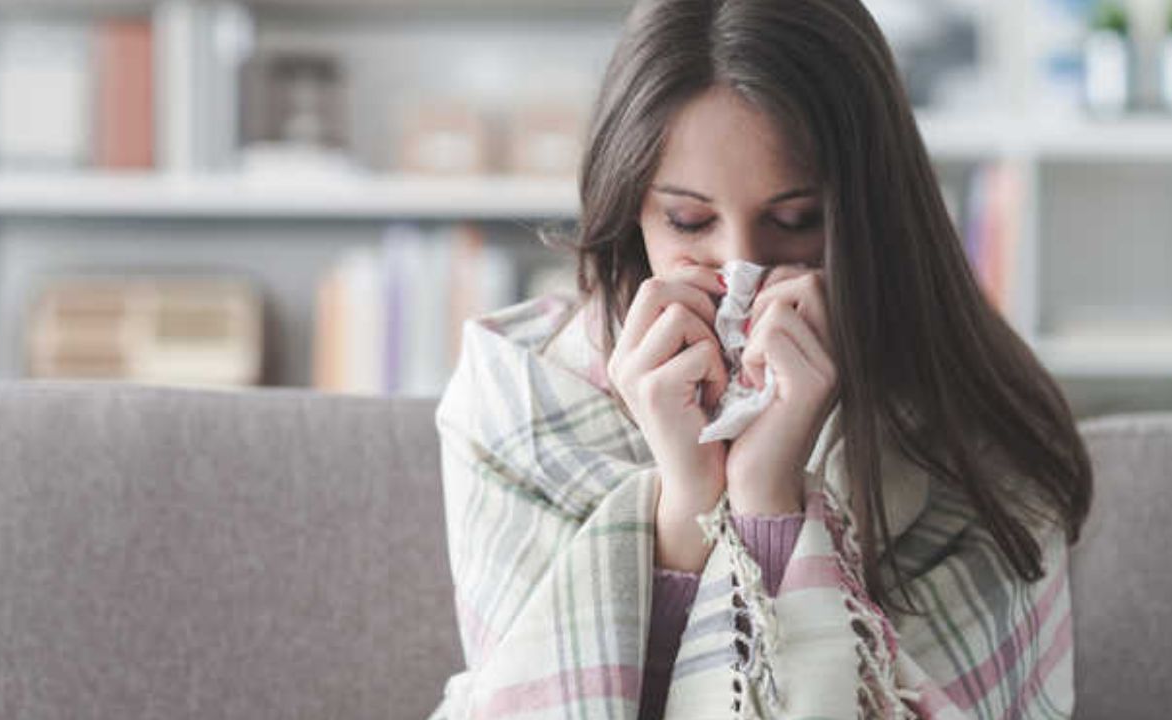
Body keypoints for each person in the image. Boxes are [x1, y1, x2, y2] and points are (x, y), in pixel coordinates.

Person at [429, 1, 1092, 718]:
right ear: (630, 209)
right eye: (688, 221)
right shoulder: (518, 392)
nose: (740, 268)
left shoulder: (972, 425)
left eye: (795, 221)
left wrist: (769, 498)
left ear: (868, 211)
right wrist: (685, 502)